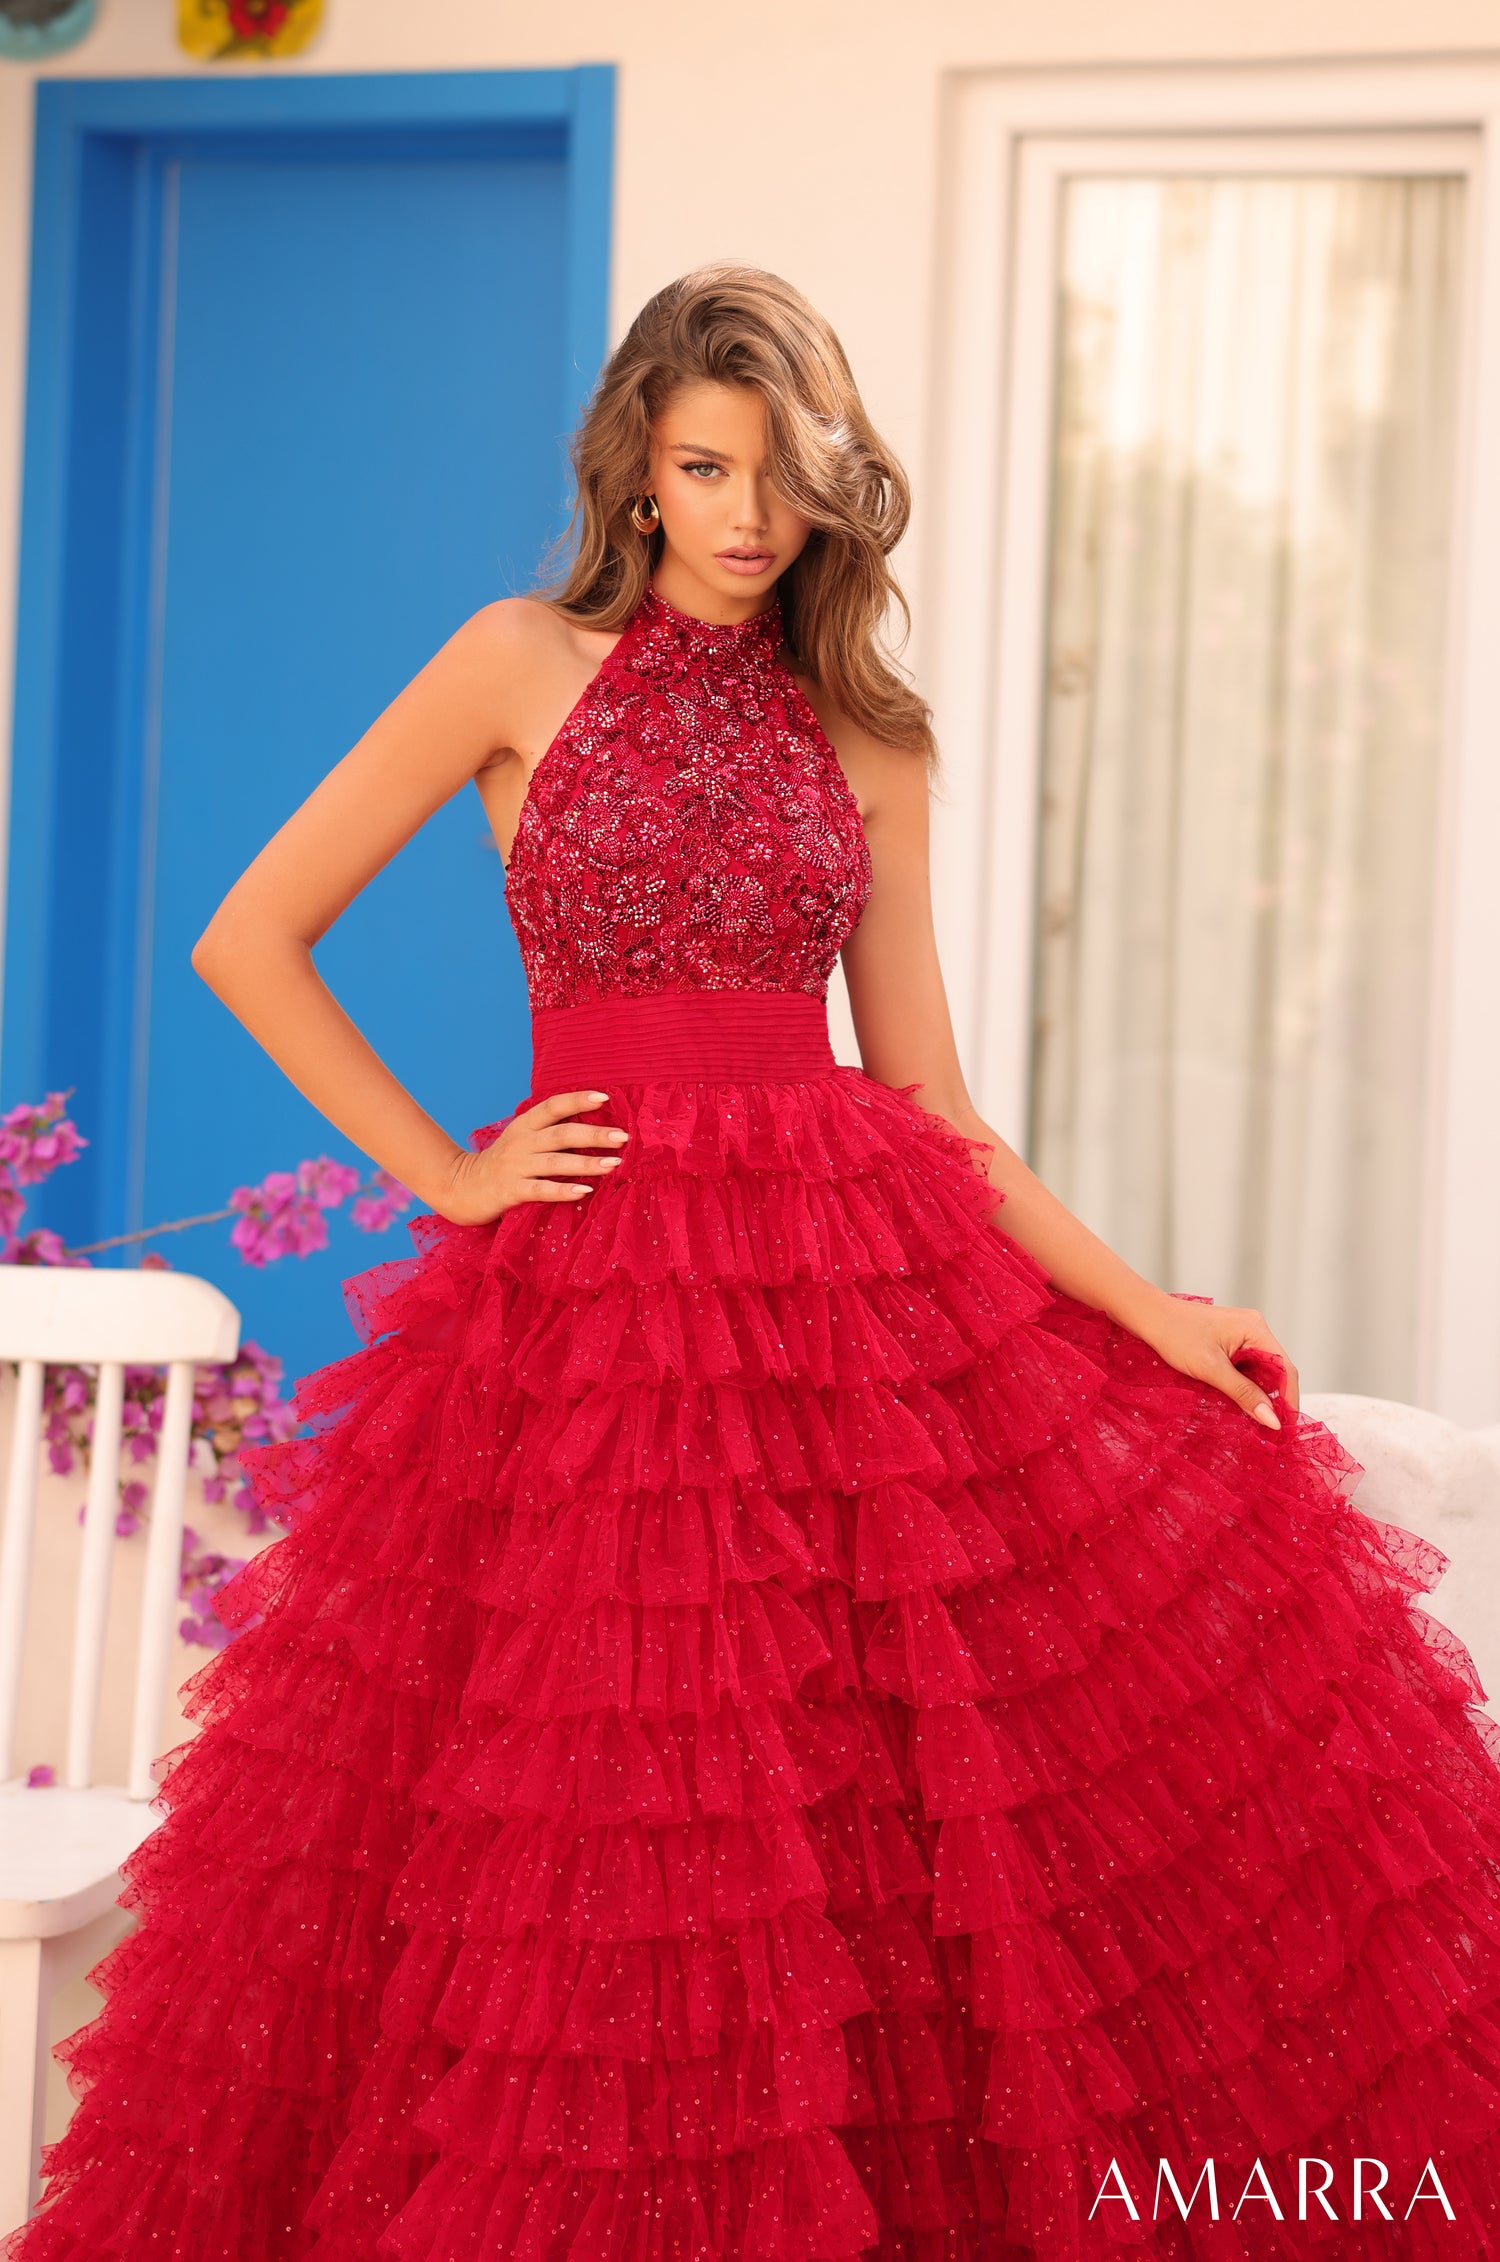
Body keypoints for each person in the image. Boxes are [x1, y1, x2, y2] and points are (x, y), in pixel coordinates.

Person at [10, 262, 1500, 2262]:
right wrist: (443, 1174)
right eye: (705, 468)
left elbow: (940, 1108)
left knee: (866, 1841)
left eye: (782, 479)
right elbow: (250, 936)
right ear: (634, 468)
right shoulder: (512, 661)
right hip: (590, 1330)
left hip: (842, 1312)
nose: (741, 516)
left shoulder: (861, 730)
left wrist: (1149, 1309)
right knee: (593, 1832)